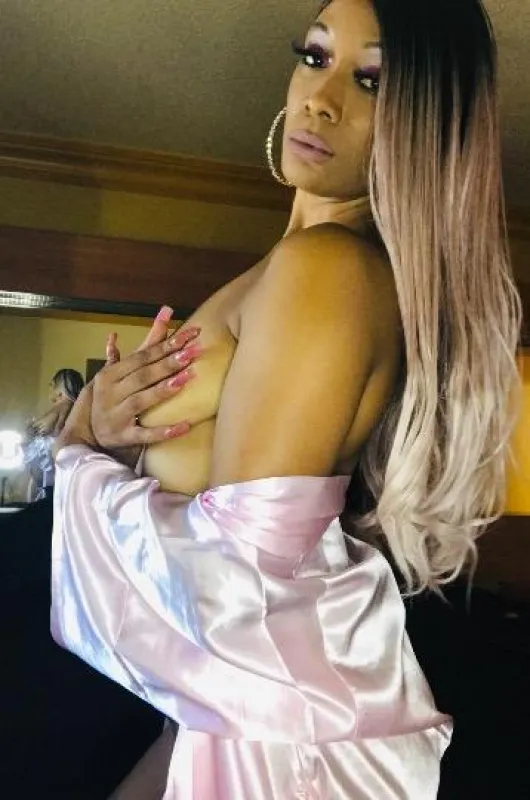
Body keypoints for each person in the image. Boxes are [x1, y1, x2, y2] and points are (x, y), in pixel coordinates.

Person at [50, 0, 521, 797]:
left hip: (258, 739)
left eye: (371, 80)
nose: (322, 99)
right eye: (315, 56)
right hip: (229, 722)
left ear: (427, 124)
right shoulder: (292, 266)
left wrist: (78, 455)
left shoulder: (326, 272)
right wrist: (102, 433)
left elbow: (239, 588)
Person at [23, 368, 84, 501]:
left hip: (49, 481)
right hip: (72, 481)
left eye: (51, 386)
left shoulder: (58, 410)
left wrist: (29, 434)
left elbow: (39, 436)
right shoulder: (81, 411)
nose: (50, 391)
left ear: (59, 390)